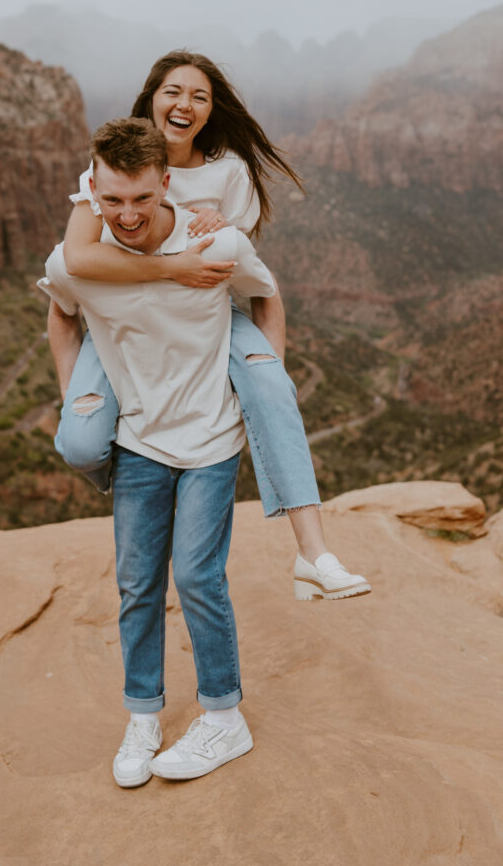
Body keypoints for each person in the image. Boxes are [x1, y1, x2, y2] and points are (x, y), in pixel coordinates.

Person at [51, 50, 370, 601]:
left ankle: (314, 554)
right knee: (79, 442)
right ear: (152, 98)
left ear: (210, 110)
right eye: (173, 91)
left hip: (208, 314)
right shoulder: (110, 167)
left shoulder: (230, 173)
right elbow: (76, 263)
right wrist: (173, 265)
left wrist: (262, 373)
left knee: (273, 388)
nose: (185, 104)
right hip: (127, 319)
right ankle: (132, 463)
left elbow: (242, 268)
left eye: (200, 96)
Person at [40, 117, 278, 785]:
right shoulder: (76, 263)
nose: (126, 214)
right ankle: (143, 714)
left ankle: (224, 718)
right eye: (111, 200)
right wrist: (73, 399)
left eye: (140, 198)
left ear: (165, 183)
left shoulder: (215, 242)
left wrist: (267, 383)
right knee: (136, 582)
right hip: (138, 439)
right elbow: (59, 311)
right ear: (91, 193)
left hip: (208, 435)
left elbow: (264, 295)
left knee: (198, 578)